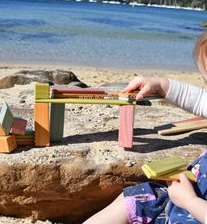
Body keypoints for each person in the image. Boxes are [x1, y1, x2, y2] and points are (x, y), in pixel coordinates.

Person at [83, 32, 207, 224]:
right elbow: (199, 100)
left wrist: (191, 202)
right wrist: (160, 85)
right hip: (182, 199)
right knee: (132, 201)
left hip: (193, 213)